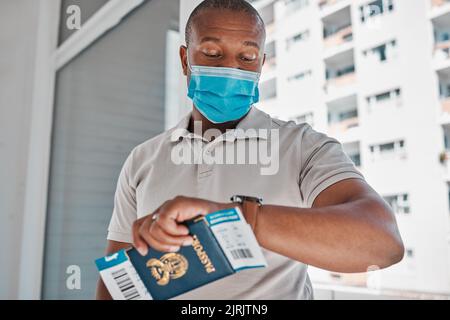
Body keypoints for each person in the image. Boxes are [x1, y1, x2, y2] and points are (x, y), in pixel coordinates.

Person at [96, 0, 404, 300]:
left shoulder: (304, 147)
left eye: (247, 57)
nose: (230, 68)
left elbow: (383, 244)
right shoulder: (142, 160)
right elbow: (116, 284)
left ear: (261, 65)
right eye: (213, 53)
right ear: (184, 59)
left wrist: (239, 220)